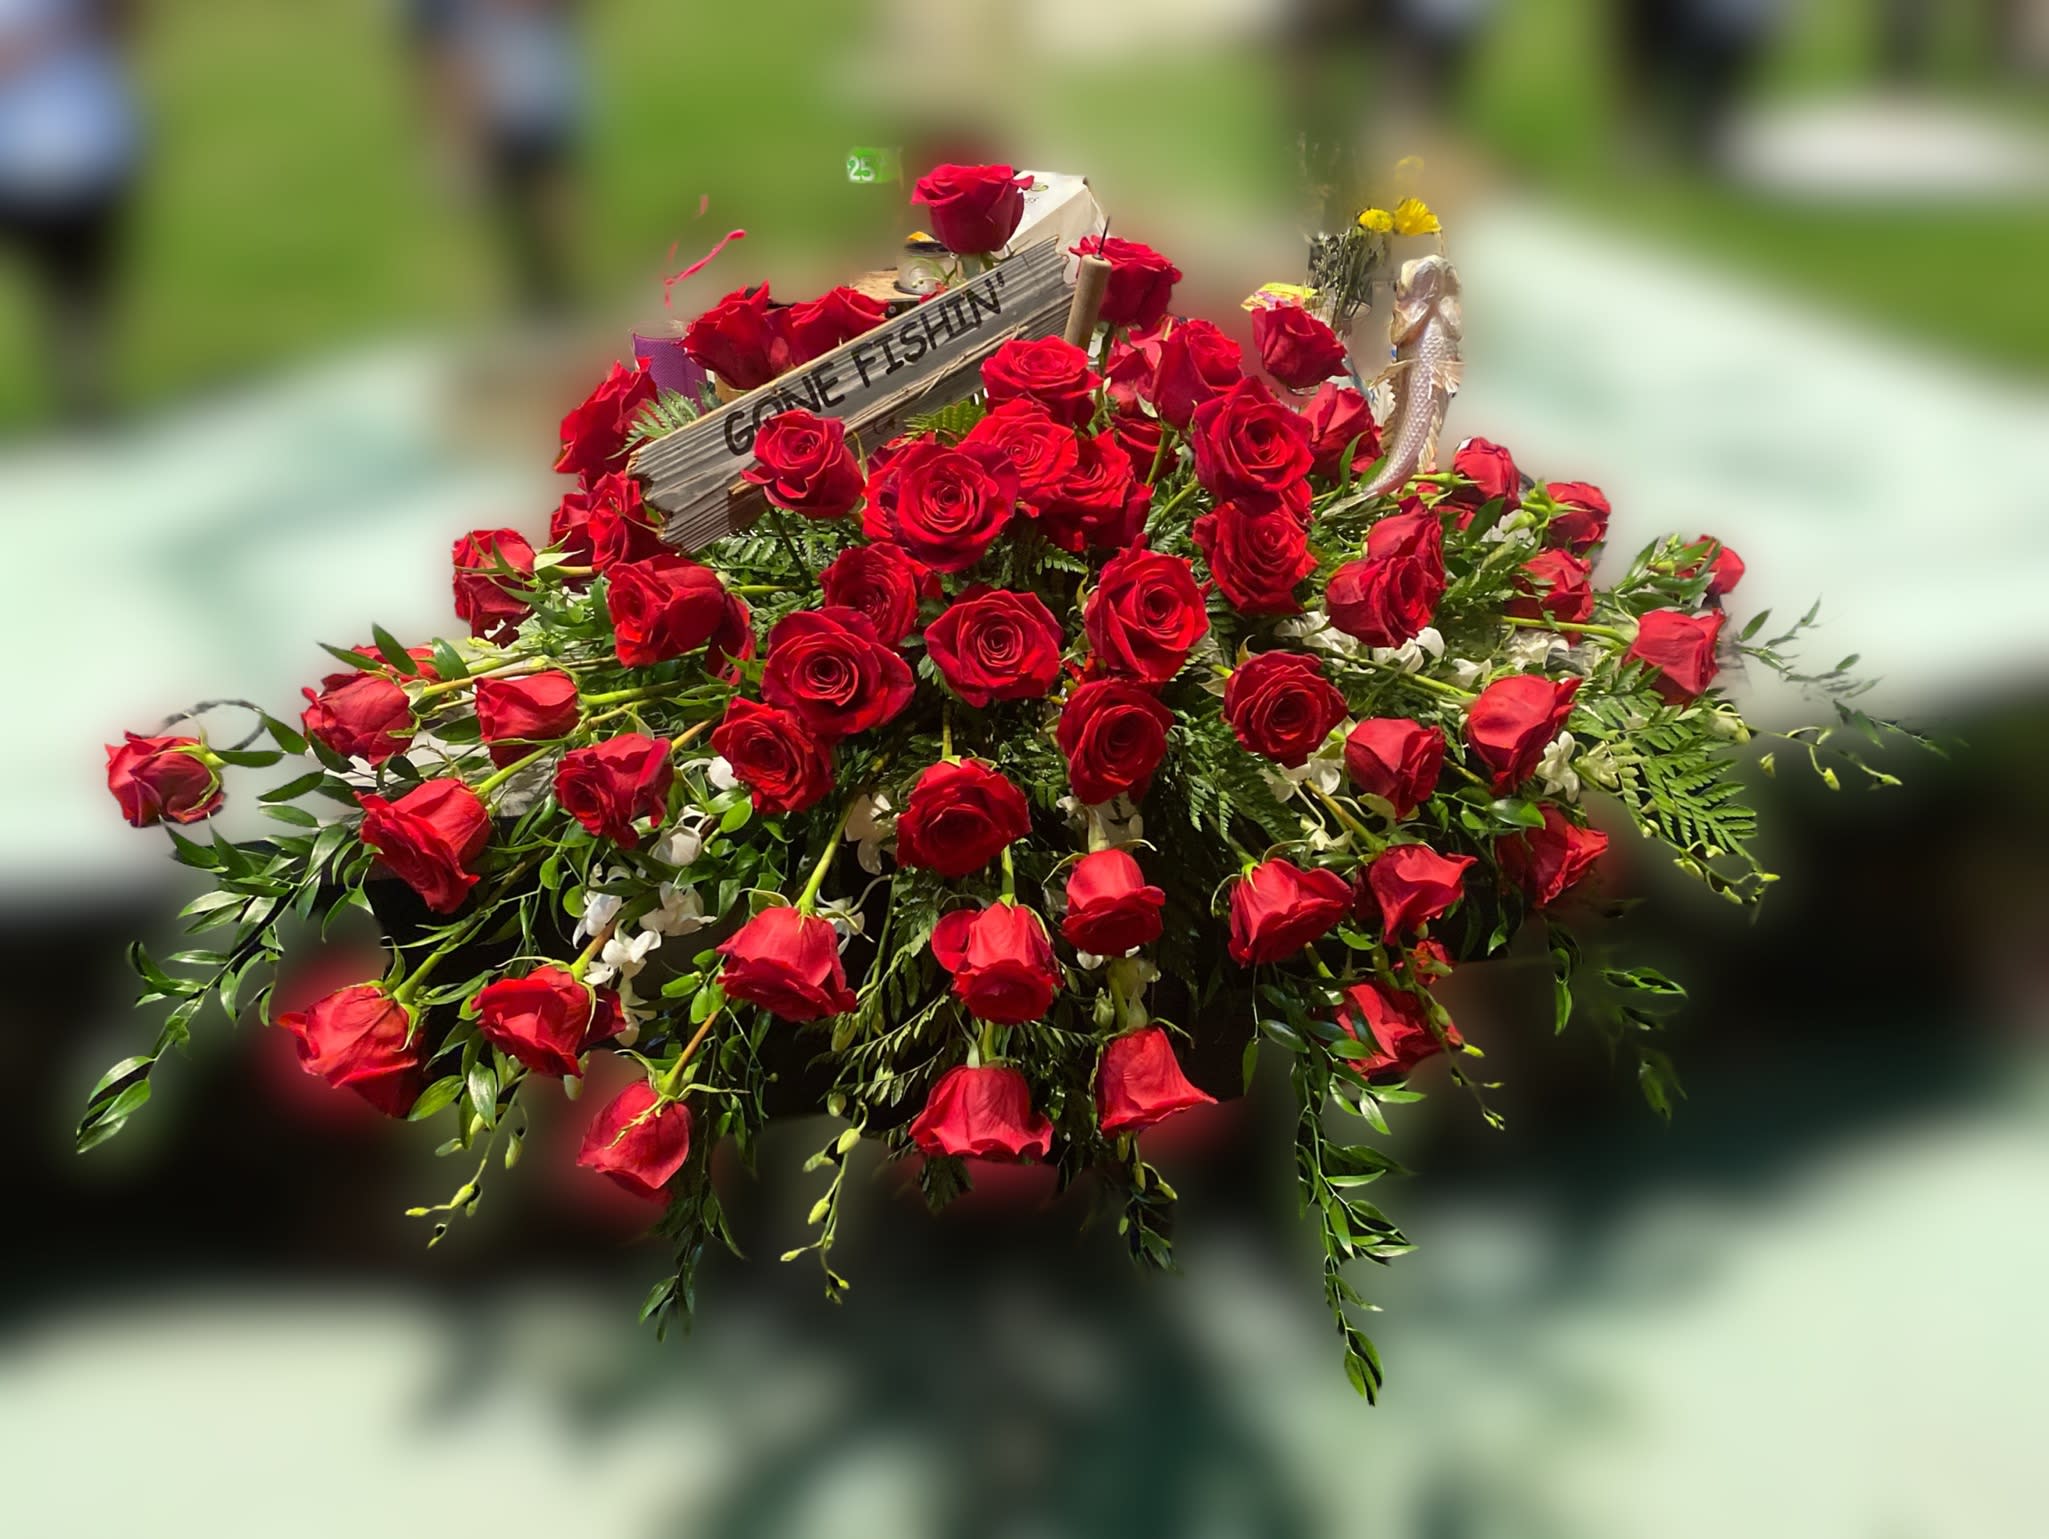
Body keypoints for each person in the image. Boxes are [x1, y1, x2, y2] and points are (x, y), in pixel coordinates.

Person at [0, 0, 140, 425]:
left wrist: (47, 41)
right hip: (18, 156)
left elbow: (126, 20)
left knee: (78, 291)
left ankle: (85, 402)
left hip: (82, 149)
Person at [407, 0, 586, 320]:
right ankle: (536, 294)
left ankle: (558, 291)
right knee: (507, 216)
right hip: (483, 102)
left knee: (547, 199)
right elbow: (435, 56)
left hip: (536, 96)